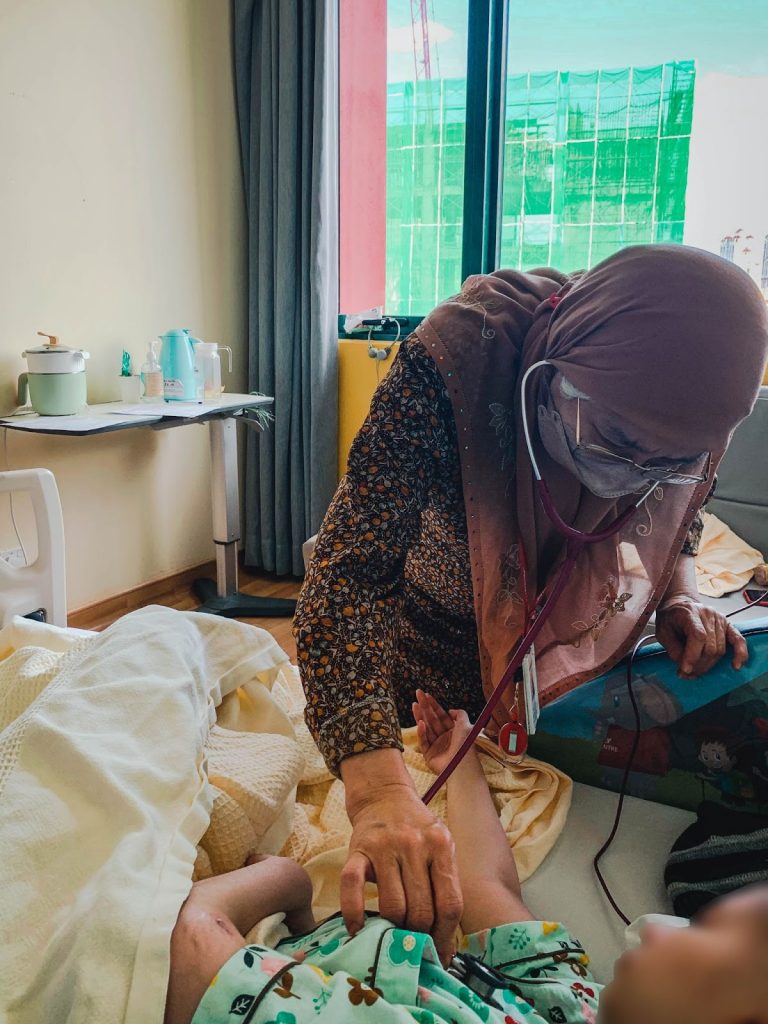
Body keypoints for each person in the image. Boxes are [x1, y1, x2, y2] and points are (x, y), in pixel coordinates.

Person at [293, 244, 768, 960]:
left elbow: (681, 514)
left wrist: (677, 594)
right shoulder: (449, 368)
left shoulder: (696, 410)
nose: (629, 478)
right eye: (616, 440)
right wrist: (374, 788)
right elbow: (351, 570)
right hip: (419, 646)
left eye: (667, 463)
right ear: (555, 370)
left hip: (539, 662)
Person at [165, 691, 768, 1024]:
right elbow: (486, 888)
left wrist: (284, 881)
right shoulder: (585, 998)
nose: (656, 929)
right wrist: (463, 760)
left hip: (254, 938)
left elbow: (194, 951)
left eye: (706, 941)